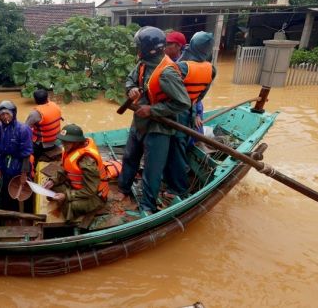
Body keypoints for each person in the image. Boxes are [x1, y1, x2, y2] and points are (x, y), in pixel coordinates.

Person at [117, 27, 191, 214]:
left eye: (138, 46)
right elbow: (130, 79)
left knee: (152, 169)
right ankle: (124, 188)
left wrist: (152, 110)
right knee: (129, 157)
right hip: (140, 122)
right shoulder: (143, 63)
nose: (136, 49)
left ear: (149, 48)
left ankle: (148, 206)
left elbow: (183, 103)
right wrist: (131, 88)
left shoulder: (167, 73)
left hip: (159, 127)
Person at [162, 32, 216, 203]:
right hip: (188, 111)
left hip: (174, 111)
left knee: (175, 149)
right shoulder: (211, 69)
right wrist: (194, 113)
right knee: (178, 147)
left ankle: (178, 188)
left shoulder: (180, 67)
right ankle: (175, 178)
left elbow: (167, 90)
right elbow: (199, 97)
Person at [44, 124, 109, 222]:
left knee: (69, 207)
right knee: (51, 189)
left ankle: (83, 205)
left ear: (76, 143)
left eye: (66, 142)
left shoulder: (86, 161)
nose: (63, 145)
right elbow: (65, 169)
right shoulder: (70, 150)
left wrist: (66, 196)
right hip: (77, 188)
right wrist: (53, 180)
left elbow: (90, 190)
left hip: (95, 196)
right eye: (62, 142)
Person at [0, 100, 33, 212]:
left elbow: (26, 154)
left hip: (20, 163)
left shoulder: (23, 129)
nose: (4, 117)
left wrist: (24, 174)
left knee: (23, 188)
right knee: (6, 190)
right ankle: (8, 212)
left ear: (13, 114)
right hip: (5, 164)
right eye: (1, 115)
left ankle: (26, 211)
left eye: (7, 114)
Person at [25, 88, 63, 165]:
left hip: (43, 144)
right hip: (56, 138)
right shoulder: (55, 105)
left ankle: (34, 164)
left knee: (26, 147)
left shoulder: (35, 113)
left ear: (35, 100)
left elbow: (25, 128)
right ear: (47, 98)